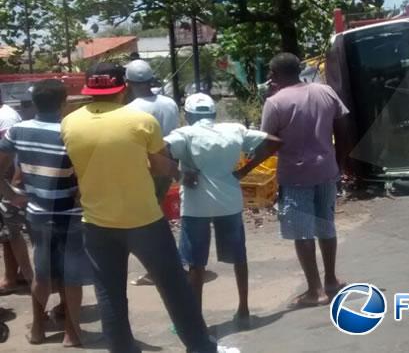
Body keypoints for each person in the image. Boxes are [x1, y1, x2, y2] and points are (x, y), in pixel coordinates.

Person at [61, 63, 217, 353]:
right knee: (174, 286)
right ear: (123, 87)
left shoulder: (70, 122)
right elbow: (159, 166)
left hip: (97, 222)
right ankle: (200, 347)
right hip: (143, 219)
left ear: (89, 90)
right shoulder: (140, 120)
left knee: (109, 293)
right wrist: (179, 171)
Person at [165, 93, 281, 327]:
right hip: (229, 201)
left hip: (196, 206)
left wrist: (178, 174)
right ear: (213, 114)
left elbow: (158, 150)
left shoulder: (184, 134)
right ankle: (244, 308)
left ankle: (194, 318)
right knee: (239, 257)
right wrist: (245, 170)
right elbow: (275, 142)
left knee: (196, 264)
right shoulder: (234, 130)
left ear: (187, 115)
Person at [0, 79, 92, 346]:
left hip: (37, 212)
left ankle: (38, 330)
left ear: (33, 104)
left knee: (41, 274)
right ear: (63, 103)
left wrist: (11, 195)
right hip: (70, 212)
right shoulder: (70, 131)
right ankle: (71, 334)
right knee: (72, 275)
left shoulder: (18, 130)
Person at [261, 53, 349, 307]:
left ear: (276, 75)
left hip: (296, 177)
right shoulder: (325, 92)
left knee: (303, 234)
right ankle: (331, 280)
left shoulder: (275, 103)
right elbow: (342, 129)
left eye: (271, 73)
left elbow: (268, 143)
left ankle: (315, 291)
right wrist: (340, 163)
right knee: (326, 226)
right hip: (326, 171)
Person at [125, 59, 180, 286]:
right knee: (157, 215)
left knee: (147, 220)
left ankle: (159, 269)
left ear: (127, 83)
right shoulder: (169, 103)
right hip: (168, 165)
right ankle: (169, 264)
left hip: (146, 168)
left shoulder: (130, 110)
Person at [0, 89, 33, 295]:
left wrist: (9, 189)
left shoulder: (6, 117)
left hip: (9, 184)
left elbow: (10, 157)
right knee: (7, 234)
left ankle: (20, 276)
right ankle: (14, 276)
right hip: (6, 183)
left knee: (11, 232)